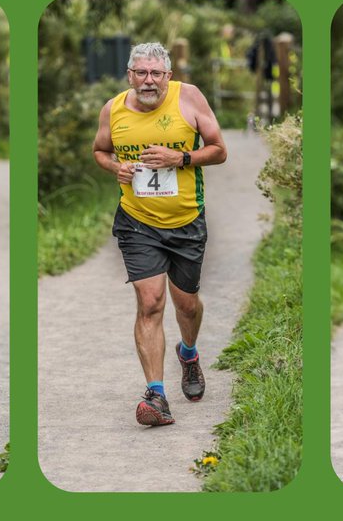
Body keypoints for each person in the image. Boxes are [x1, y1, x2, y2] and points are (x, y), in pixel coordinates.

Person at [91, 41, 227, 426]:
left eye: (156, 73)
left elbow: (219, 150)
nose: (148, 81)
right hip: (137, 221)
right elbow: (100, 151)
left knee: (187, 305)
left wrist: (180, 158)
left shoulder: (191, 98)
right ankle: (156, 394)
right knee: (150, 303)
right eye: (141, 73)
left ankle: (189, 353)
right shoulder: (113, 109)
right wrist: (114, 167)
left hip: (186, 221)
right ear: (129, 75)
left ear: (168, 75)